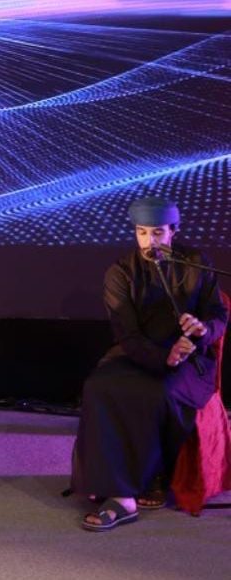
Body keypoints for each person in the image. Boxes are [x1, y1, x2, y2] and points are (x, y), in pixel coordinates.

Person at [72, 197, 227, 531]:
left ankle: (155, 475)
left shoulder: (196, 262)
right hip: (138, 353)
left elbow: (218, 314)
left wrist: (201, 331)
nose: (149, 241)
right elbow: (126, 333)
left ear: (173, 231)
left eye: (157, 233)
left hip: (191, 360)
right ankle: (115, 489)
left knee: (161, 393)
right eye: (142, 232)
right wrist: (161, 357)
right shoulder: (120, 272)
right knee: (99, 387)